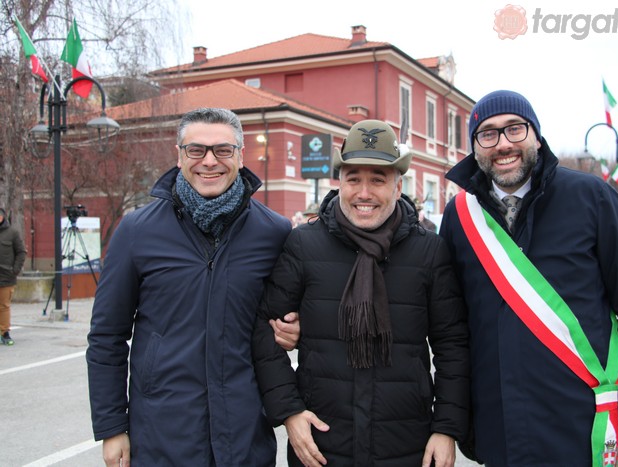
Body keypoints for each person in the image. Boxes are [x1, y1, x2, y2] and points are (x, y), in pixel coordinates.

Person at [439, 91, 618, 466]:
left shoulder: (592, 197)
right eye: (488, 134)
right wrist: (465, 418)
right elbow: (454, 326)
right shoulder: (459, 216)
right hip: (500, 427)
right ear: (475, 147)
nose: (503, 144)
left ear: (537, 136)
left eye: (515, 128)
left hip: (582, 426)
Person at [253, 119, 470, 466]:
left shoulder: (429, 252)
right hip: (320, 445)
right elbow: (264, 331)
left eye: (378, 180)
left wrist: (446, 428)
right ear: (339, 183)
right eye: (353, 179)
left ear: (398, 187)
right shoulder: (303, 245)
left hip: (407, 444)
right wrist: (290, 411)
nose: (364, 193)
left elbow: (453, 345)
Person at [86, 108, 292, 466]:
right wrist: (112, 427)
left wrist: (296, 326)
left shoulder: (274, 232)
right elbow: (107, 336)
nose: (209, 161)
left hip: (245, 433)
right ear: (179, 155)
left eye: (223, 150)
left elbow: (291, 311)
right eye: (196, 150)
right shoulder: (137, 231)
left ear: (241, 156)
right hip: (161, 434)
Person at [0, 208, 27, 346]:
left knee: (4, 306)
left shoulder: (12, 233)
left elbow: (21, 252)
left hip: (6, 276)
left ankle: (4, 332)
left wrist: (15, 270)